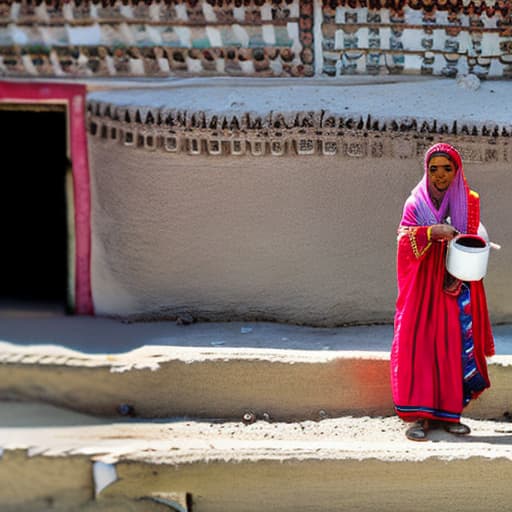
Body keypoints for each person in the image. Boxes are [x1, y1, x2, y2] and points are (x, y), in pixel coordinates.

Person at [390, 142, 495, 441]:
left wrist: (460, 276)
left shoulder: (467, 201)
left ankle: (450, 414)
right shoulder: (415, 204)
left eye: (446, 169)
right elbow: (402, 240)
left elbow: (473, 240)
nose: (439, 175)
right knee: (418, 344)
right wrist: (430, 233)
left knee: (451, 347)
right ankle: (419, 418)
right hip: (421, 288)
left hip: (452, 286)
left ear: (456, 171)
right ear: (426, 171)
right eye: (433, 169)